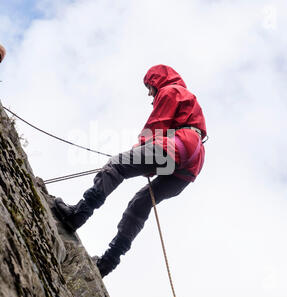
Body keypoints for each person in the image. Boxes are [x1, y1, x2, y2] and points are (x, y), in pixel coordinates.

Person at [54, 64, 207, 278]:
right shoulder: (186, 97)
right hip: (192, 163)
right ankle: (108, 262)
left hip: (181, 144)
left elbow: (157, 125)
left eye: (149, 86)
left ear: (156, 81)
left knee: (117, 165)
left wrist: (142, 148)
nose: (149, 92)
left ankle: (78, 214)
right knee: (141, 202)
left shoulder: (170, 91)